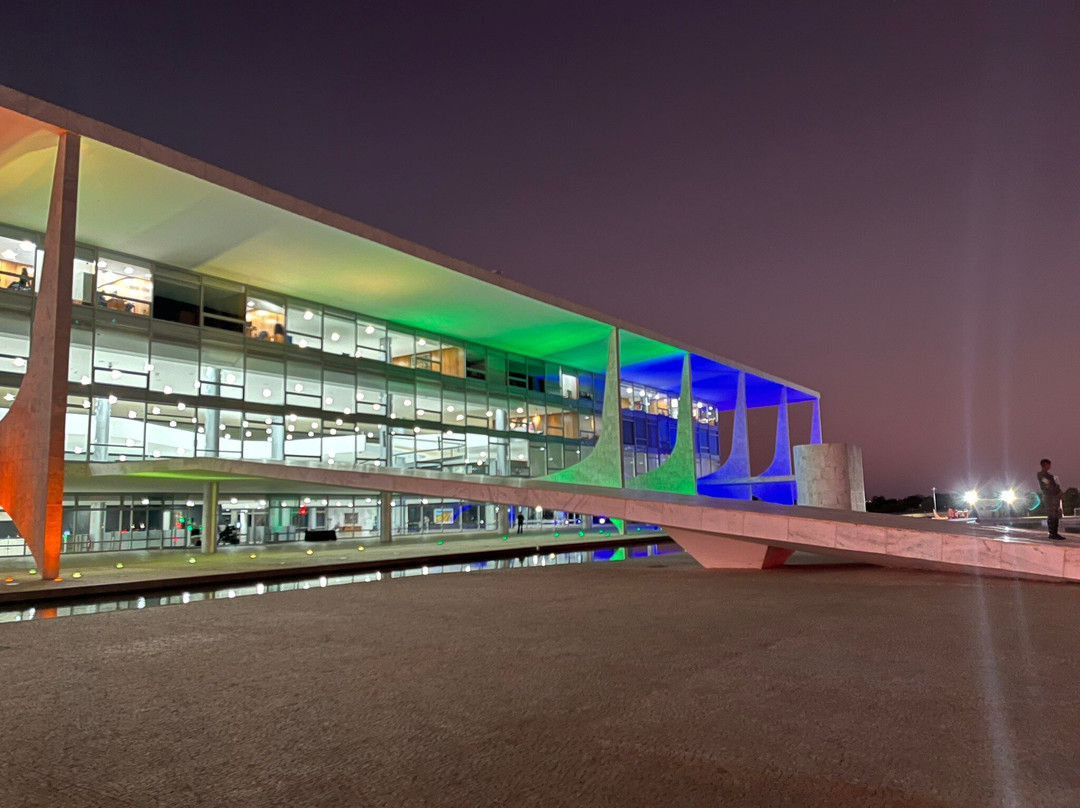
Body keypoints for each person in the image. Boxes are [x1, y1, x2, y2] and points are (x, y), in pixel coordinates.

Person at [1037, 458, 1065, 540]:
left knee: (1055, 515)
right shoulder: (1041, 475)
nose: (1049, 466)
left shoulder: (1049, 476)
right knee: (1052, 515)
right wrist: (1057, 491)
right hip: (1049, 497)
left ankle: (1055, 533)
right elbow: (1049, 486)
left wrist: (1059, 491)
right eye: (1048, 464)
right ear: (1044, 465)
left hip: (1054, 497)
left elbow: (1053, 485)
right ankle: (1052, 533)